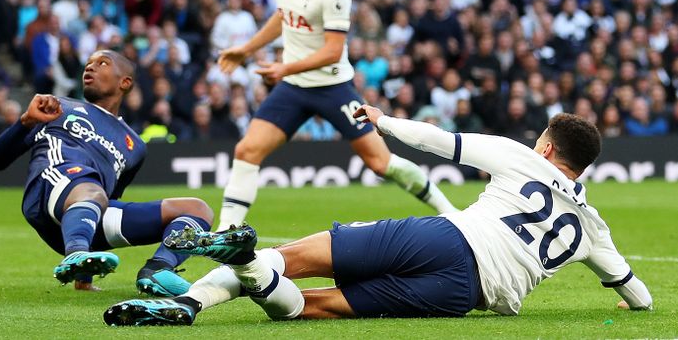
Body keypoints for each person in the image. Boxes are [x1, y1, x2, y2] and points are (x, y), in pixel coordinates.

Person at [104, 107, 652, 326]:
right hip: (464, 297)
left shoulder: (523, 157)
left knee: (294, 257)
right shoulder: (593, 228)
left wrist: (383, 122)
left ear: (550, 150)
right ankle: (243, 274)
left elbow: (440, 141)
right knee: (310, 310)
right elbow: (636, 293)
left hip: (450, 239)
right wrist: (634, 303)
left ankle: (198, 295)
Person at [214, 0, 455, 231]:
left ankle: (449, 210)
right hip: (294, 86)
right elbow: (283, 16)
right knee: (247, 149)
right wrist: (246, 49)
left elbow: (332, 51)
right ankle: (223, 234)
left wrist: (284, 69)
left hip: (333, 87)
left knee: (380, 162)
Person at [0, 50, 213, 296]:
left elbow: (105, 199)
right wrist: (26, 121)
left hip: (83, 212)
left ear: (124, 82)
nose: (90, 68)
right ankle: (75, 253)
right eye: (88, 64)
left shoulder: (135, 145)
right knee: (92, 191)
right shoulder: (57, 107)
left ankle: (158, 270)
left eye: (102, 63)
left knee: (198, 210)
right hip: (47, 191)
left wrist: (84, 276)